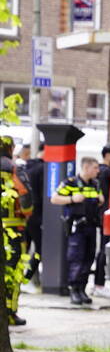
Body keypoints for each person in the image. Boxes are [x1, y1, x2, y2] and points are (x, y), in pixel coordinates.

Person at [51, 157, 104, 305]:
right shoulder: (71, 182)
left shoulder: (95, 184)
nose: (98, 171)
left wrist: (101, 199)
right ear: (86, 168)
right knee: (76, 259)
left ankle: (82, 289)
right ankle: (74, 290)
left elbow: (99, 199)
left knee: (89, 258)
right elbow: (54, 199)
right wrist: (72, 199)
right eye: (95, 168)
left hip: (91, 227)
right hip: (78, 227)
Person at [0, 136, 33, 325]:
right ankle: (9, 312)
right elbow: (25, 196)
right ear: (11, 148)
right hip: (12, 227)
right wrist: (27, 213)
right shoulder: (14, 168)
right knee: (12, 270)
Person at [91, 144, 110, 298]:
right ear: (108, 155)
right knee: (103, 250)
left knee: (101, 249)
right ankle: (99, 285)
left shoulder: (99, 172)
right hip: (106, 216)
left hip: (101, 215)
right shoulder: (107, 172)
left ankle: (98, 284)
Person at [23, 143, 44, 285]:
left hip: (24, 215)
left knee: (23, 250)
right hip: (37, 216)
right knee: (40, 250)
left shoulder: (25, 166)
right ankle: (27, 278)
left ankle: (19, 279)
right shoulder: (43, 168)